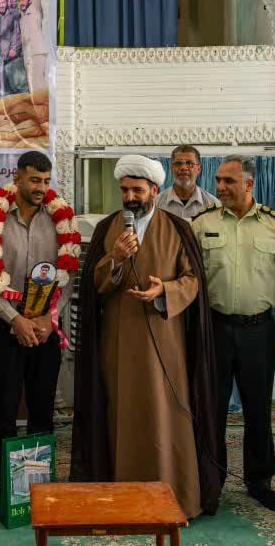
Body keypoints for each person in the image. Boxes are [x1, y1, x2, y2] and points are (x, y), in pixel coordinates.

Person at [72, 155, 220, 520]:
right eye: (125, 190)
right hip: (118, 342)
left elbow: (193, 281)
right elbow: (94, 286)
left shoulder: (177, 228)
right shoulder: (108, 228)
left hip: (165, 342)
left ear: (155, 190)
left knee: (164, 415)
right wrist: (115, 258)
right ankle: (121, 498)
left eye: (137, 190)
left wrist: (163, 291)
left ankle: (172, 495)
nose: (130, 197)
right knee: (119, 413)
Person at [0, 151, 76, 519]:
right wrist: (15, 319)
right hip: (6, 329)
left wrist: (49, 318)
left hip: (47, 329)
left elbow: (68, 276)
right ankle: (4, 491)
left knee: (41, 411)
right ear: (17, 178)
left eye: (46, 181)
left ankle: (39, 490)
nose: (41, 188)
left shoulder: (61, 221)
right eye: (34, 180)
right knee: (5, 413)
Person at [192, 156, 275, 511]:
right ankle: (211, 483)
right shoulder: (202, 223)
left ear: (249, 184)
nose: (220, 187)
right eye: (218, 180)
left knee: (258, 409)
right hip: (215, 330)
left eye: (228, 181)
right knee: (212, 410)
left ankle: (260, 481)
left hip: (259, 331)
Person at [156, 145, 221, 220]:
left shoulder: (213, 204)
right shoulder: (156, 204)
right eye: (178, 163)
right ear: (171, 168)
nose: (183, 168)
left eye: (190, 163)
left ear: (199, 169)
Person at [0, 0, 26, 94]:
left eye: (3, 3)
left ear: (7, 3)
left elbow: (17, 32)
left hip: (13, 57)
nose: (1, 5)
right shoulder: (0, 17)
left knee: (19, 86)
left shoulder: (12, 14)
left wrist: (14, 48)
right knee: (8, 88)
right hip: (4, 58)